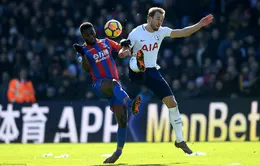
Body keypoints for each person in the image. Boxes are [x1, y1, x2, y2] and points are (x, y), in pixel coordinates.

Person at [120, 7, 214, 154]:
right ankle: (137, 63)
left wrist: (199, 25)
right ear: (149, 18)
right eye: (157, 19)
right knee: (137, 64)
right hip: (135, 72)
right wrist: (124, 52)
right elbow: (123, 49)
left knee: (172, 103)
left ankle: (180, 140)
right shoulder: (136, 33)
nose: (159, 22)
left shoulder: (162, 32)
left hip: (152, 71)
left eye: (161, 20)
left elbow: (182, 32)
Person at [73, 22, 141, 163]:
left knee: (122, 121)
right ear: (83, 36)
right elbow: (86, 69)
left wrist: (124, 44)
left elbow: (121, 53)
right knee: (115, 84)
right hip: (99, 85)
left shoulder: (106, 42)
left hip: (116, 90)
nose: (90, 36)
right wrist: (82, 54)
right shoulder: (83, 50)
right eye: (87, 35)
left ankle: (117, 153)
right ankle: (130, 103)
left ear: (94, 31)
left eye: (92, 33)